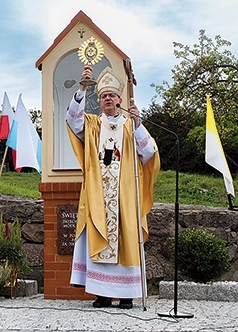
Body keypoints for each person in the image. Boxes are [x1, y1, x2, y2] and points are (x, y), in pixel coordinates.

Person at [66, 65, 160, 310]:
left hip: (125, 193)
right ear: (99, 101)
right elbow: (72, 120)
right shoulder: (93, 125)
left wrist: (138, 123)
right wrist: (82, 88)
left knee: (127, 237)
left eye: (112, 95)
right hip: (99, 192)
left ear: (120, 99)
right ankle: (102, 294)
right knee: (99, 233)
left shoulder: (131, 126)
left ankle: (127, 295)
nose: (108, 99)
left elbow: (149, 152)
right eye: (104, 96)